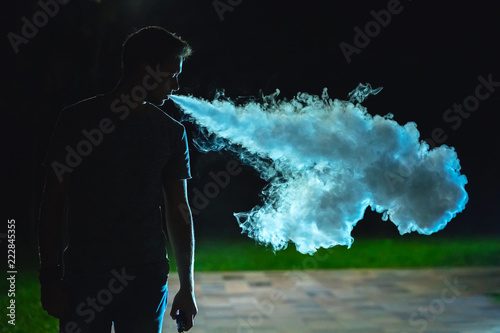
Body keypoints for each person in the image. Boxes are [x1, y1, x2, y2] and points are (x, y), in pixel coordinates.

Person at [38, 26, 197, 333]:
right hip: (85, 277)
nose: (177, 85)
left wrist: (187, 288)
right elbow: (52, 205)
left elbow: (180, 212)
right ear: (146, 70)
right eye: (171, 74)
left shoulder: (171, 131)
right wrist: (50, 277)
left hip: (144, 277)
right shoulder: (75, 121)